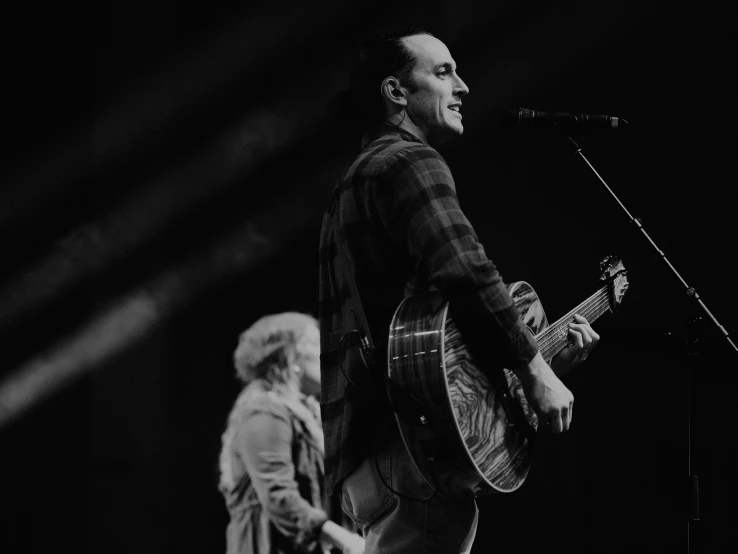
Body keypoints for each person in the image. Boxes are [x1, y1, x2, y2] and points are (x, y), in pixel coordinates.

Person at [318, 28, 600, 553]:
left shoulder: (352, 181)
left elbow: (422, 342)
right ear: (397, 92)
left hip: (369, 458)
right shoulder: (410, 162)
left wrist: (539, 364)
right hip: (414, 457)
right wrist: (534, 370)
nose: (464, 85)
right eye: (443, 72)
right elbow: (467, 273)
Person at [218, 312, 365, 554]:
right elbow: (279, 497)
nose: (329, 355)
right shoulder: (263, 411)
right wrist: (347, 541)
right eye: (317, 344)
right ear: (290, 356)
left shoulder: (304, 412)